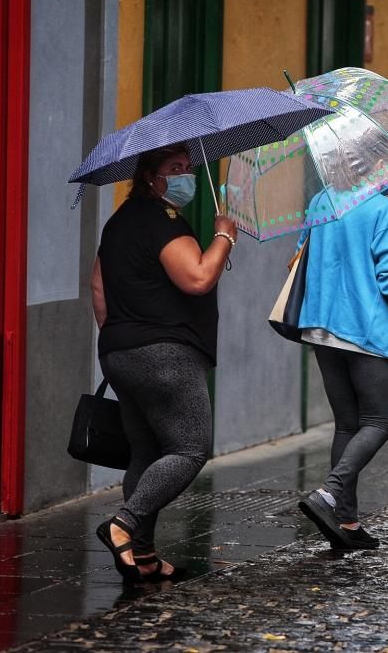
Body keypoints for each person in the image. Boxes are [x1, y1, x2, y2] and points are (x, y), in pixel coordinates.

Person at [90, 143, 238, 582]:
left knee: (147, 452)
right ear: (151, 177)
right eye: (175, 168)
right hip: (165, 354)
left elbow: (98, 287)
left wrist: (122, 342)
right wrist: (224, 235)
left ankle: (145, 556)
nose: (186, 175)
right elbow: (197, 277)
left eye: (189, 167)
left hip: (122, 350)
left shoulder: (118, 223)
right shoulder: (163, 223)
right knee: (191, 449)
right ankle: (123, 525)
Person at [295, 183, 388, 550]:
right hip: (365, 332)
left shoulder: (321, 200)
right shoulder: (384, 210)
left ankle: (346, 521)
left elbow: (298, 259)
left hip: (322, 328)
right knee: (378, 423)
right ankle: (329, 493)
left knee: (347, 424)